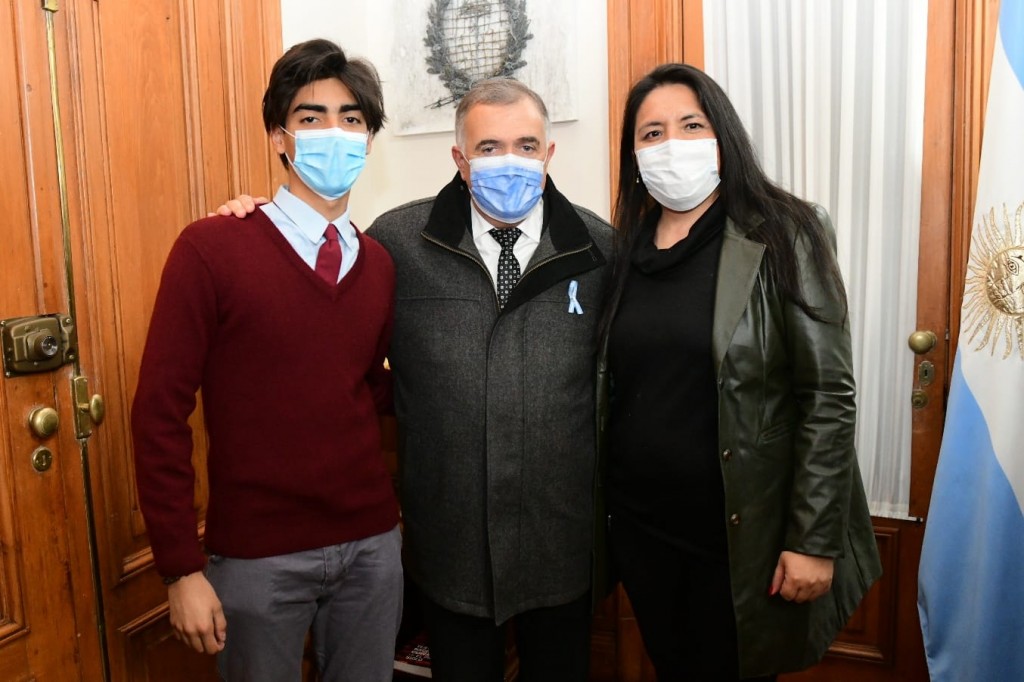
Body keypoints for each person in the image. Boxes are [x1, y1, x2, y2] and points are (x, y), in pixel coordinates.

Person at [219, 78, 612, 681]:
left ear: (549, 153)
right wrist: (254, 223)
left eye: (527, 145)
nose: (509, 161)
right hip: (449, 546)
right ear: (459, 159)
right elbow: (337, 347)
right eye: (488, 147)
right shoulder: (397, 243)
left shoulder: (600, 248)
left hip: (561, 543)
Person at [599, 62, 882, 681]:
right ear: (633, 155)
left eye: (690, 125)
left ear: (722, 137)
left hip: (740, 539)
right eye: (652, 133)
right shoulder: (623, 250)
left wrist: (813, 539)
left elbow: (827, 394)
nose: (671, 144)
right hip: (643, 531)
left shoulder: (786, 231)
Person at [131, 39, 403, 681]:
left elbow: (369, 391)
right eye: (312, 117)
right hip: (257, 558)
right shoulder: (212, 248)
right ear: (279, 137)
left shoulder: (379, 263)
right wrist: (180, 568)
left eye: (351, 119)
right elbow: (159, 412)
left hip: (371, 546)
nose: (334, 133)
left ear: (368, 140)